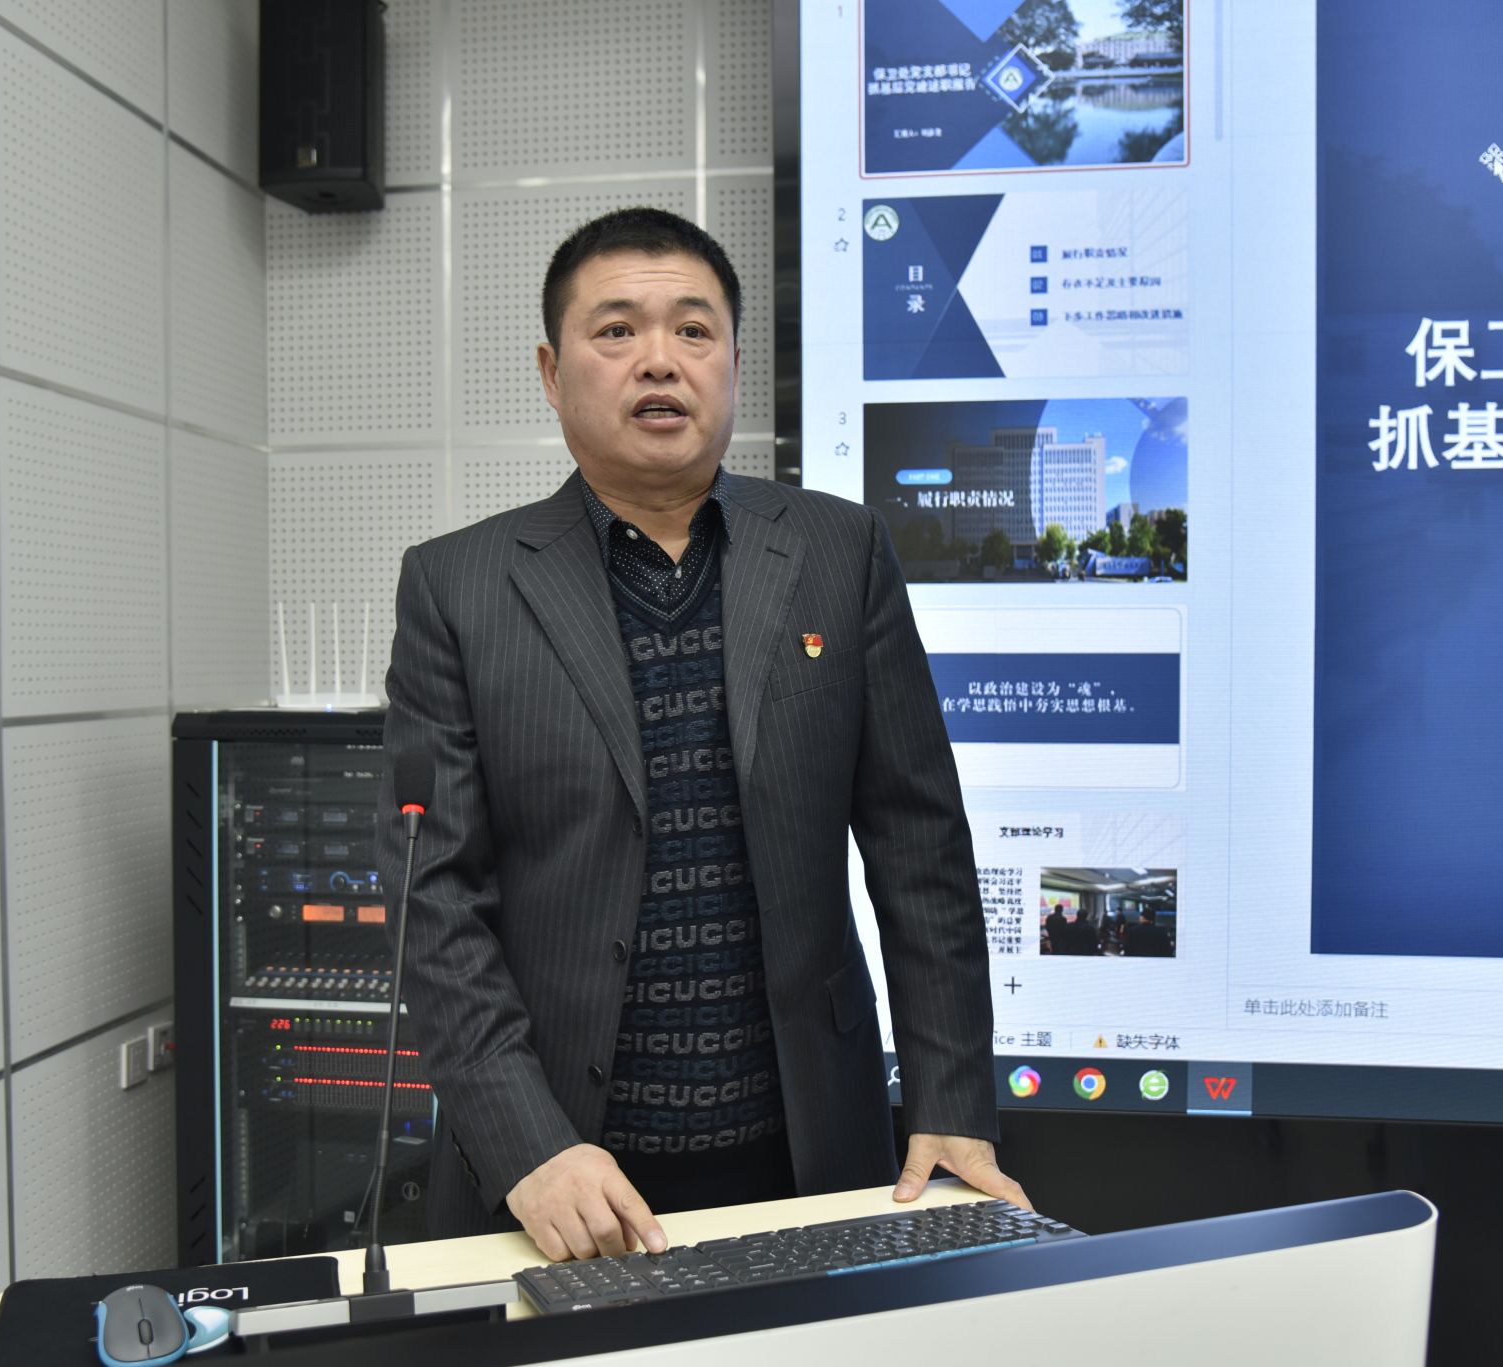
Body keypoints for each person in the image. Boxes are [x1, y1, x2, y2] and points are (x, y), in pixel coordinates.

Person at [376, 206, 1028, 1261]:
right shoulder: (457, 585)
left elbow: (920, 844)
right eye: (616, 330)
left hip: (807, 1154)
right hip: (561, 1175)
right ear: (551, 372)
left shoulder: (839, 550)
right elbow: (433, 893)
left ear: (731, 361)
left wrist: (950, 1096)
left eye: (692, 329)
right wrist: (528, 1143)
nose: (658, 360)